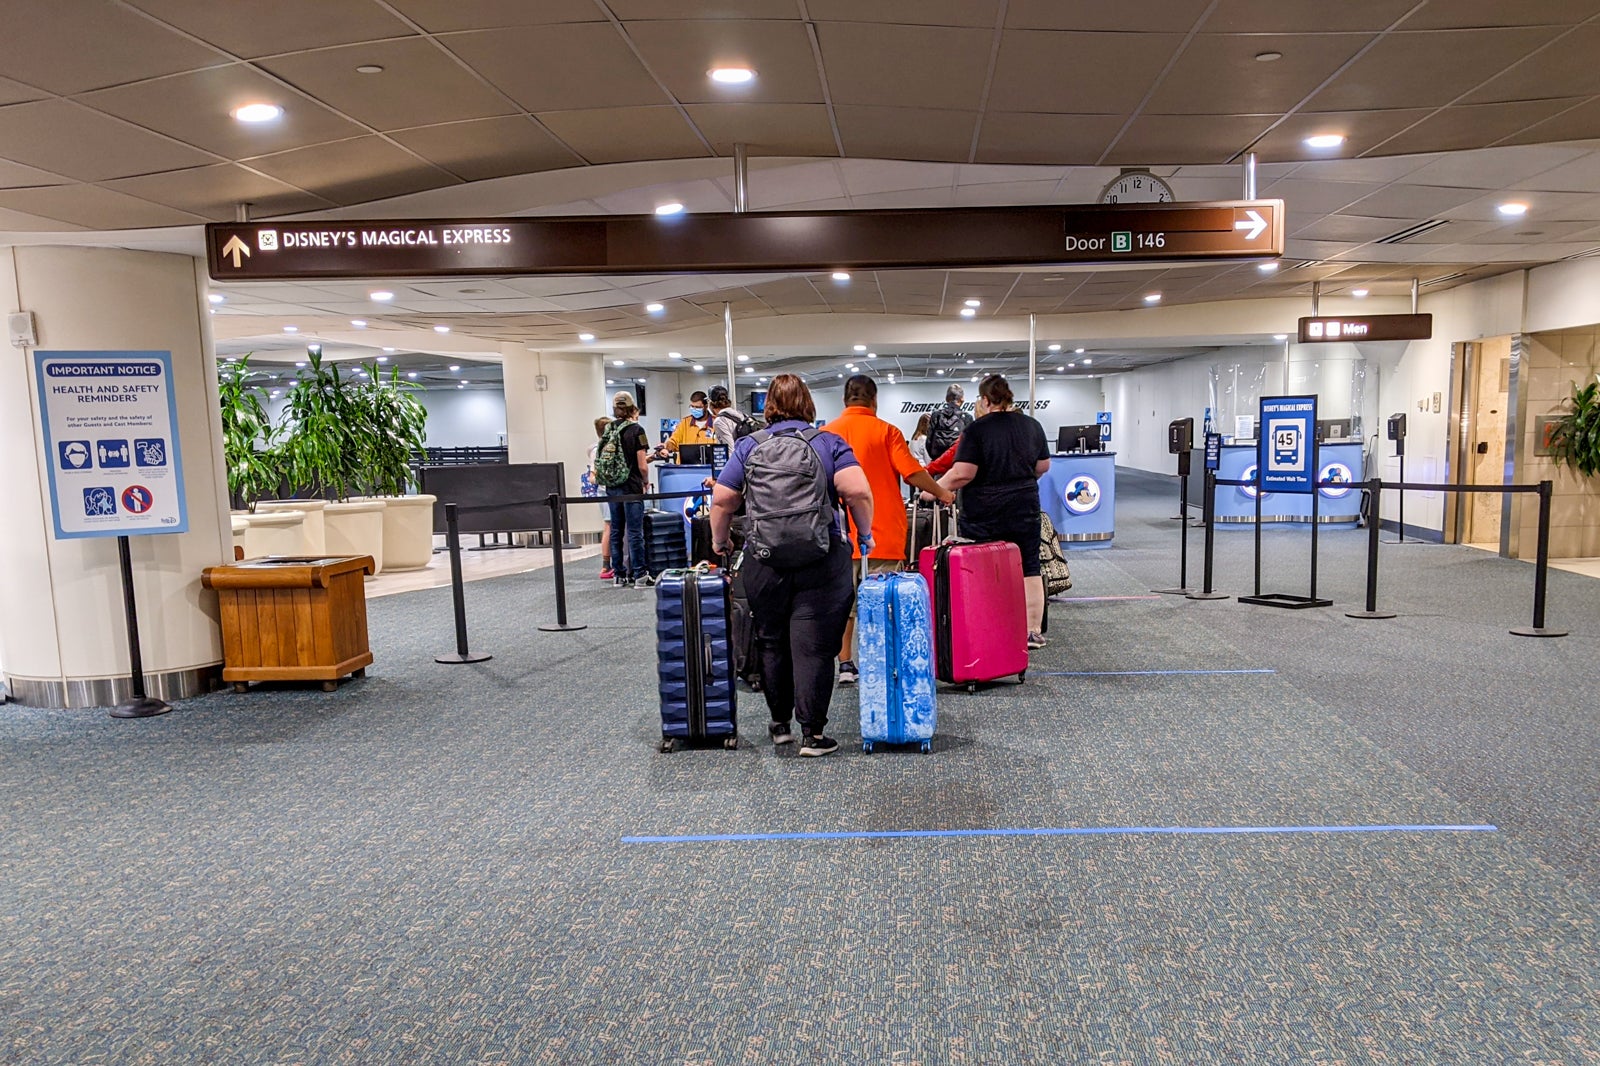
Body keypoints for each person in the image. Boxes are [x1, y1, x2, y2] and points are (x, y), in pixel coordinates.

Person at [710, 374, 873, 758]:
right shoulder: (828, 442)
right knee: (814, 645)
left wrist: (721, 542)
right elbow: (857, 491)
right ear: (809, 405)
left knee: (771, 640)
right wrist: (865, 534)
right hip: (821, 557)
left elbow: (722, 500)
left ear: (768, 405)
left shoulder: (750, 445)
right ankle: (813, 734)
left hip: (764, 561)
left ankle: (780, 724)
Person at [825, 375, 953, 684]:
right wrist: (941, 492)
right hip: (880, 536)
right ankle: (879, 662)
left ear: (845, 400)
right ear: (874, 400)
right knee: (884, 604)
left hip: (837, 537)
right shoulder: (887, 432)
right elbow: (911, 473)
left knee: (845, 606)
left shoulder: (826, 434)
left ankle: (845, 665)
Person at [934, 374, 1051, 650]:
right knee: (1030, 566)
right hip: (1024, 506)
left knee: (984, 567)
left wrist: (934, 489)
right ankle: (1032, 631)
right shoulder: (1032, 425)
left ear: (985, 400)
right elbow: (1043, 466)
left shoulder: (976, 430)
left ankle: (988, 624)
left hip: (984, 511)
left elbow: (963, 473)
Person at [600, 391, 652, 589]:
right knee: (634, 532)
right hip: (631, 486)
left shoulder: (609, 428)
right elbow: (642, 465)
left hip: (612, 487)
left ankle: (619, 575)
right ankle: (640, 575)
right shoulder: (637, 430)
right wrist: (645, 481)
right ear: (633, 408)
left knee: (616, 530)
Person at [587, 415, 615, 580]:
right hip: (606, 491)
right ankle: (606, 565)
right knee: (609, 527)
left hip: (608, 491)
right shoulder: (598, 450)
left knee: (612, 527)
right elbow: (593, 476)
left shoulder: (602, 447)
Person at [656, 390, 716, 459]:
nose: (694, 409)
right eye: (692, 406)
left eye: (698, 407)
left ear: (706, 406)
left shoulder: (716, 423)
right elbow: (673, 441)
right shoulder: (684, 423)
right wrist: (665, 448)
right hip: (686, 466)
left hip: (708, 467)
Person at [924, 383, 973, 460]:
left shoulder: (936, 415)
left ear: (946, 399)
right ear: (962, 399)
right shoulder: (967, 418)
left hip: (937, 463)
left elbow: (929, 443)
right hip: (957, 463)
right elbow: (970, 445)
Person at [708, 385, 754, 450]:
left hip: (739, 458)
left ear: (711, 403)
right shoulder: (741, 414)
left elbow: (729, 450)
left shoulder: (720, 421)